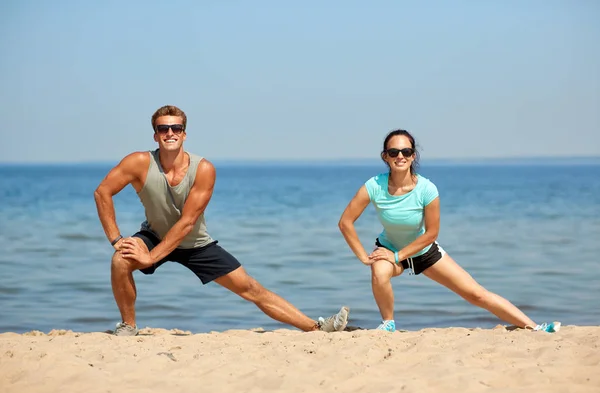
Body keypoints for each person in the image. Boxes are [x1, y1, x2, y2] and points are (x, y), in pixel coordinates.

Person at [94, 105, 349, 336]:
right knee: (120, 260)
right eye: (163, 128)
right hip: (154, 235)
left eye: (176, 128)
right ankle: (128, 326)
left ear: (184, 134)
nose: (170, 132)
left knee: (250, 288)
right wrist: (116, 239)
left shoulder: (203, 169)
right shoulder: (138, 162)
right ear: (155, 135)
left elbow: (187, 223)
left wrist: (151, 257)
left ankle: (315, 327)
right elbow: (102, 192)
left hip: (194, 242)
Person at [338, 129, 560, 333]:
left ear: (413, 155)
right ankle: (388, 323)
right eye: (393, 152)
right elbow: (345, 222)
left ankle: (533, 327)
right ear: (385, 156)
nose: (400, 156)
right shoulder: (374, 185)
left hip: (423, 250)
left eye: (406, 151)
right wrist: (364, 257)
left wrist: (398, 256)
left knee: (476, 294)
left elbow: (431, 234)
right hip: (390, 249)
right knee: (379, 272)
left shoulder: (427, 189)